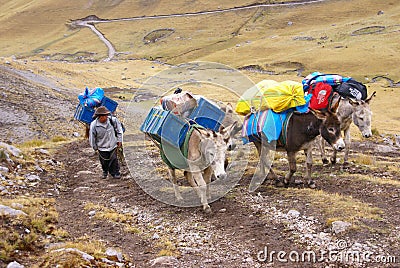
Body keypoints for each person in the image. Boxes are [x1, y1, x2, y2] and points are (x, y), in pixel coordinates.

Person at [89, 106, 123, 179]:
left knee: (114, 159)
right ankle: (105, 171)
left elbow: (119, 131)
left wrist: (119, 141)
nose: (106, 117)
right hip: (102, 146)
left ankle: (115, 173)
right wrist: (94, 147)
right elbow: (92, 137)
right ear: (99, 117)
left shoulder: (113, 121)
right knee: (104, 161)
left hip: (112, 144)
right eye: (104, 116)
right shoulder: (94, 125)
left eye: (106, 115)